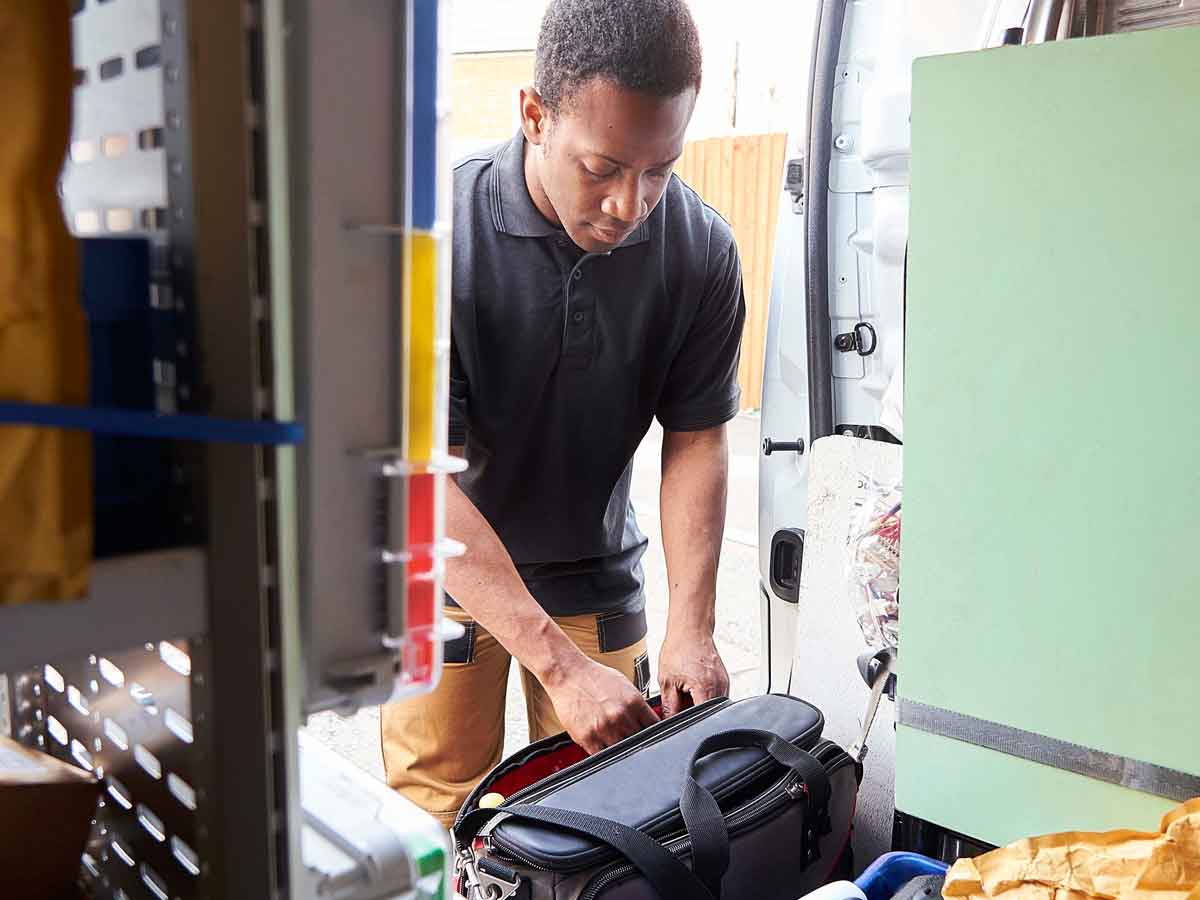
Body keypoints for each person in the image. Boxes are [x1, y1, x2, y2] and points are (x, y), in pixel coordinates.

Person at [381, 0, 747, 826]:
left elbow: (697, 439)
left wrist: (693, 625)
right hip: (443, 577)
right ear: (534, 115)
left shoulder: (701, 252)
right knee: (435, 822)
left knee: (614, 820)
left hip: (594, 574)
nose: (631, 204)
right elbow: (413, 479)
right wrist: (555, 665)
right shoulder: (433, 242)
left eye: (660, 169)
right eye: (604, 167)